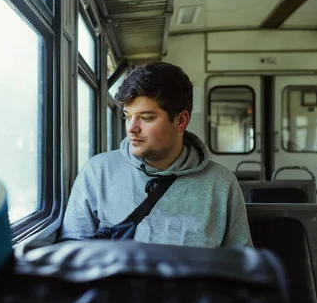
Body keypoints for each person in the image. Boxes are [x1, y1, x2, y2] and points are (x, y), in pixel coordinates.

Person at [59, 61, 252, 247]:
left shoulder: (221, 184)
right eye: (127, 117)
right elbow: (73, 251)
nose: (131, 128)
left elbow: (240, 264)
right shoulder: (98, 172)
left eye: (146, 118)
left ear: (181, 121)